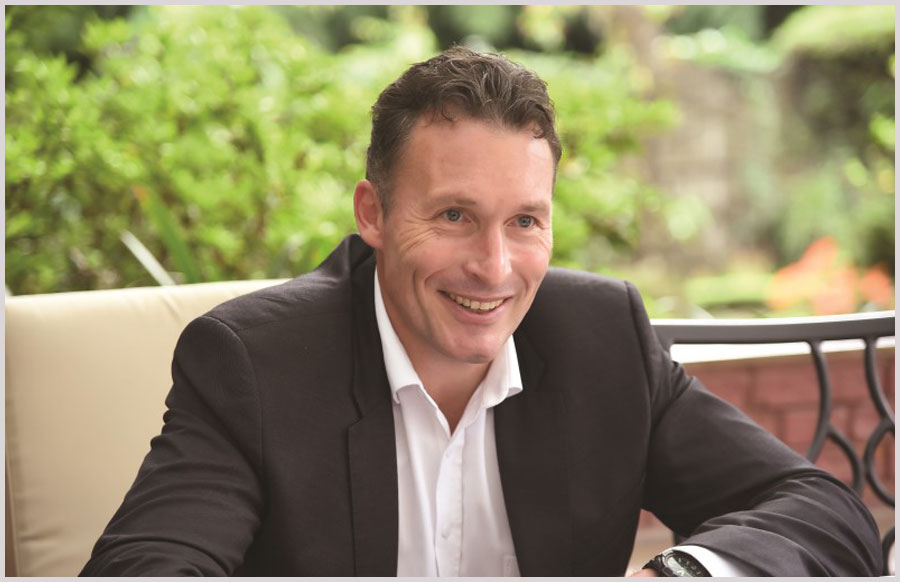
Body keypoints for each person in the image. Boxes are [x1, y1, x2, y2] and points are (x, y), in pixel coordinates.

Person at [81, 46, 881, 577]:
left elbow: (824, 513)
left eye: (525, 221)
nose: (494, 269)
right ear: (373, 213)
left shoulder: (602, 337)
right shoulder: (253, 364)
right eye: (454, 216)